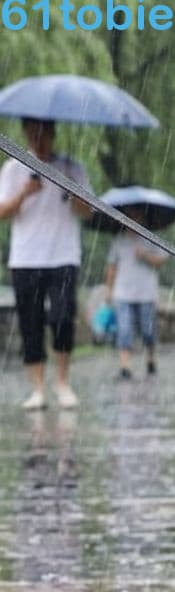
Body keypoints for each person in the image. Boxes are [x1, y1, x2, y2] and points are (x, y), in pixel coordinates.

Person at [0, 118, 92, 410]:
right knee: (31, 324)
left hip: (63, 256)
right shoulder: (13, 168)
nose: (38, 140)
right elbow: (2, 211)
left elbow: (87, 211)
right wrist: (24, 193)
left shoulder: (71, 168)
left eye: (43, 134)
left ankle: (62, 382)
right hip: (26, 258)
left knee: (63, 318)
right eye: (33, 134)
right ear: (26, 134)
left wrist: (73, 193)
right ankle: (37, 388)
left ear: (53, 134)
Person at [104, 209, 168, 379]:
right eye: (129, 217)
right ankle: (125, 367)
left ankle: (150, 359)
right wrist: (109, 290)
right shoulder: (119, 241)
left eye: (136, 217)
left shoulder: (150, 238)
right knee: (124, 330)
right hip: (123, 293)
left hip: (146, 293)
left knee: (148, 331)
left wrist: (145, 255)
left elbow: (162, 260)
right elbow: (111, 267)